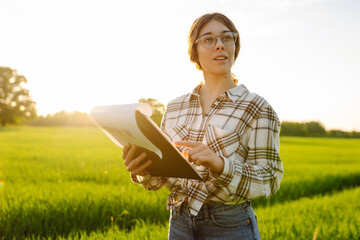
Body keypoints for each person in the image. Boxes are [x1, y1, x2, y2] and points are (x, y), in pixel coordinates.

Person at [122, 12, 283, 240]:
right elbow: (161, 178)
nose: (219, 45)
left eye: (227, 38)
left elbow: (270, 177)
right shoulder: (175, 107)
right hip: (179, 223)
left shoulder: (256, 107)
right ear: (194, 51)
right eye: (208, 39)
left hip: (230, 225)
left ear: (235, 46)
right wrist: (142, 172)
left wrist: (220, 164)